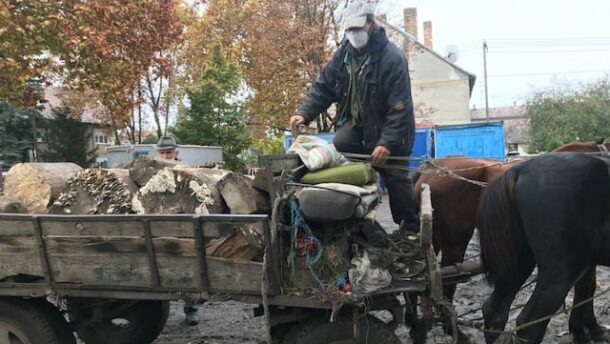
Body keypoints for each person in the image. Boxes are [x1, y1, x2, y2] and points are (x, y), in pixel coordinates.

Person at [290, 1, 419, 235]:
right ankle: (355, 220)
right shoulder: (344, 56)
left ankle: (409, 231)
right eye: (349, 30)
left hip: (390, 130)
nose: (353, 34)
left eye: (357, 29)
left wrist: (386, 143)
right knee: (341, 143)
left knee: (396, 180)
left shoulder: (392, 59)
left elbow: (399, 108)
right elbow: (323, 87)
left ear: (371, 23)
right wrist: (304, 112)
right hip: (360, 125)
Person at [155, 136, 200, 326]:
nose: (166, 156)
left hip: (182, 225)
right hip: (157, 225)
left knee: (186, 268)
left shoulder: (185, 170)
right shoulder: (149, 171)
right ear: (158, 153)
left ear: (176, 152)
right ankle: (152, 313)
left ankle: (191, 309)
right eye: (163, 152)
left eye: (169, 152)